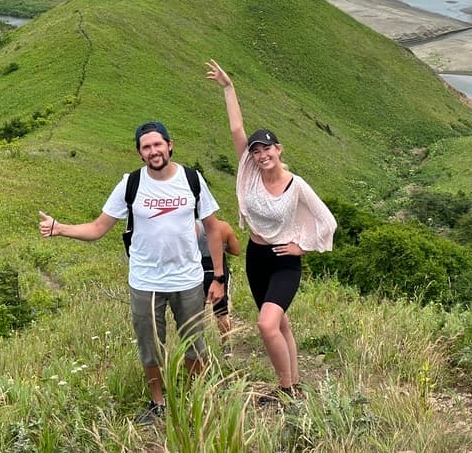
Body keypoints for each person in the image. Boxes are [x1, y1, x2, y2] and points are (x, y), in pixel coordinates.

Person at [38, 121, 228, 424]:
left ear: (170, 145)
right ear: (140, 153)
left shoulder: (192, 180)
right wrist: (59, 228)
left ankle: (197, 396)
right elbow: (98, 228)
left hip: (188, 279)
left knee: (195, 343)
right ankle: (158, 403)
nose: (153, 151)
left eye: (157, 144)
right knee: (150, 347)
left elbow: (213, 229)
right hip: (145, 281)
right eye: (146, 147)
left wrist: (218, 277)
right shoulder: (131, 184)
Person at [205, 60, 337, 401]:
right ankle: (294, 384)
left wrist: (303, 246)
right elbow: (237, 130)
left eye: (267, 148)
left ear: (279, 150)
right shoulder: (249, 173)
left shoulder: (296, 186)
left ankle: (285, 389)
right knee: (280, 324)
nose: (262, 154)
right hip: (256, 255)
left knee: (266, 325)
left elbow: (327, 222)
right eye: (256, 150)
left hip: (283, 260)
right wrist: (228, 87)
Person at [197, 216, 241, 354]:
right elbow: (236, 250)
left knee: (195, 313)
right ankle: (226, 346)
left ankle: (197, 348)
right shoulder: (223, 227)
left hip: (196, 272)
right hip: (219, 273)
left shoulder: (188, 226)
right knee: (222, 312)